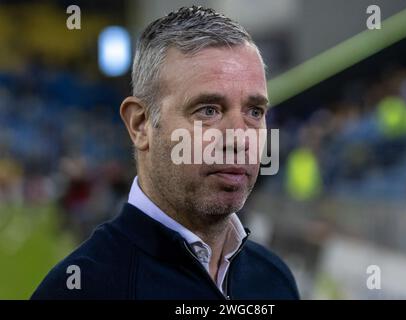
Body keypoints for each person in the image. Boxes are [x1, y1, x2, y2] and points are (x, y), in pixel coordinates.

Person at [31, 6, 300, 300]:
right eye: (208, 110)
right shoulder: (78, 292)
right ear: (141, 124)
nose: (239, 139)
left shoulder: (276, 280)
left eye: (254, 111)